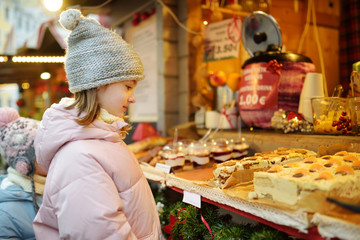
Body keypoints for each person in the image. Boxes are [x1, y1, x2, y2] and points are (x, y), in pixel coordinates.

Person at [33, 9, 162, 239]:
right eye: (128, 86)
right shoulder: (79, 158)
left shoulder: (102, 137)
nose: (133, 98)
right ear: (99, 84)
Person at [0, 107, 47, 240]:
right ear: (24, 165)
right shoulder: (5, 213)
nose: (53, 154)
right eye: (43, 152)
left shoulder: (59, 185)